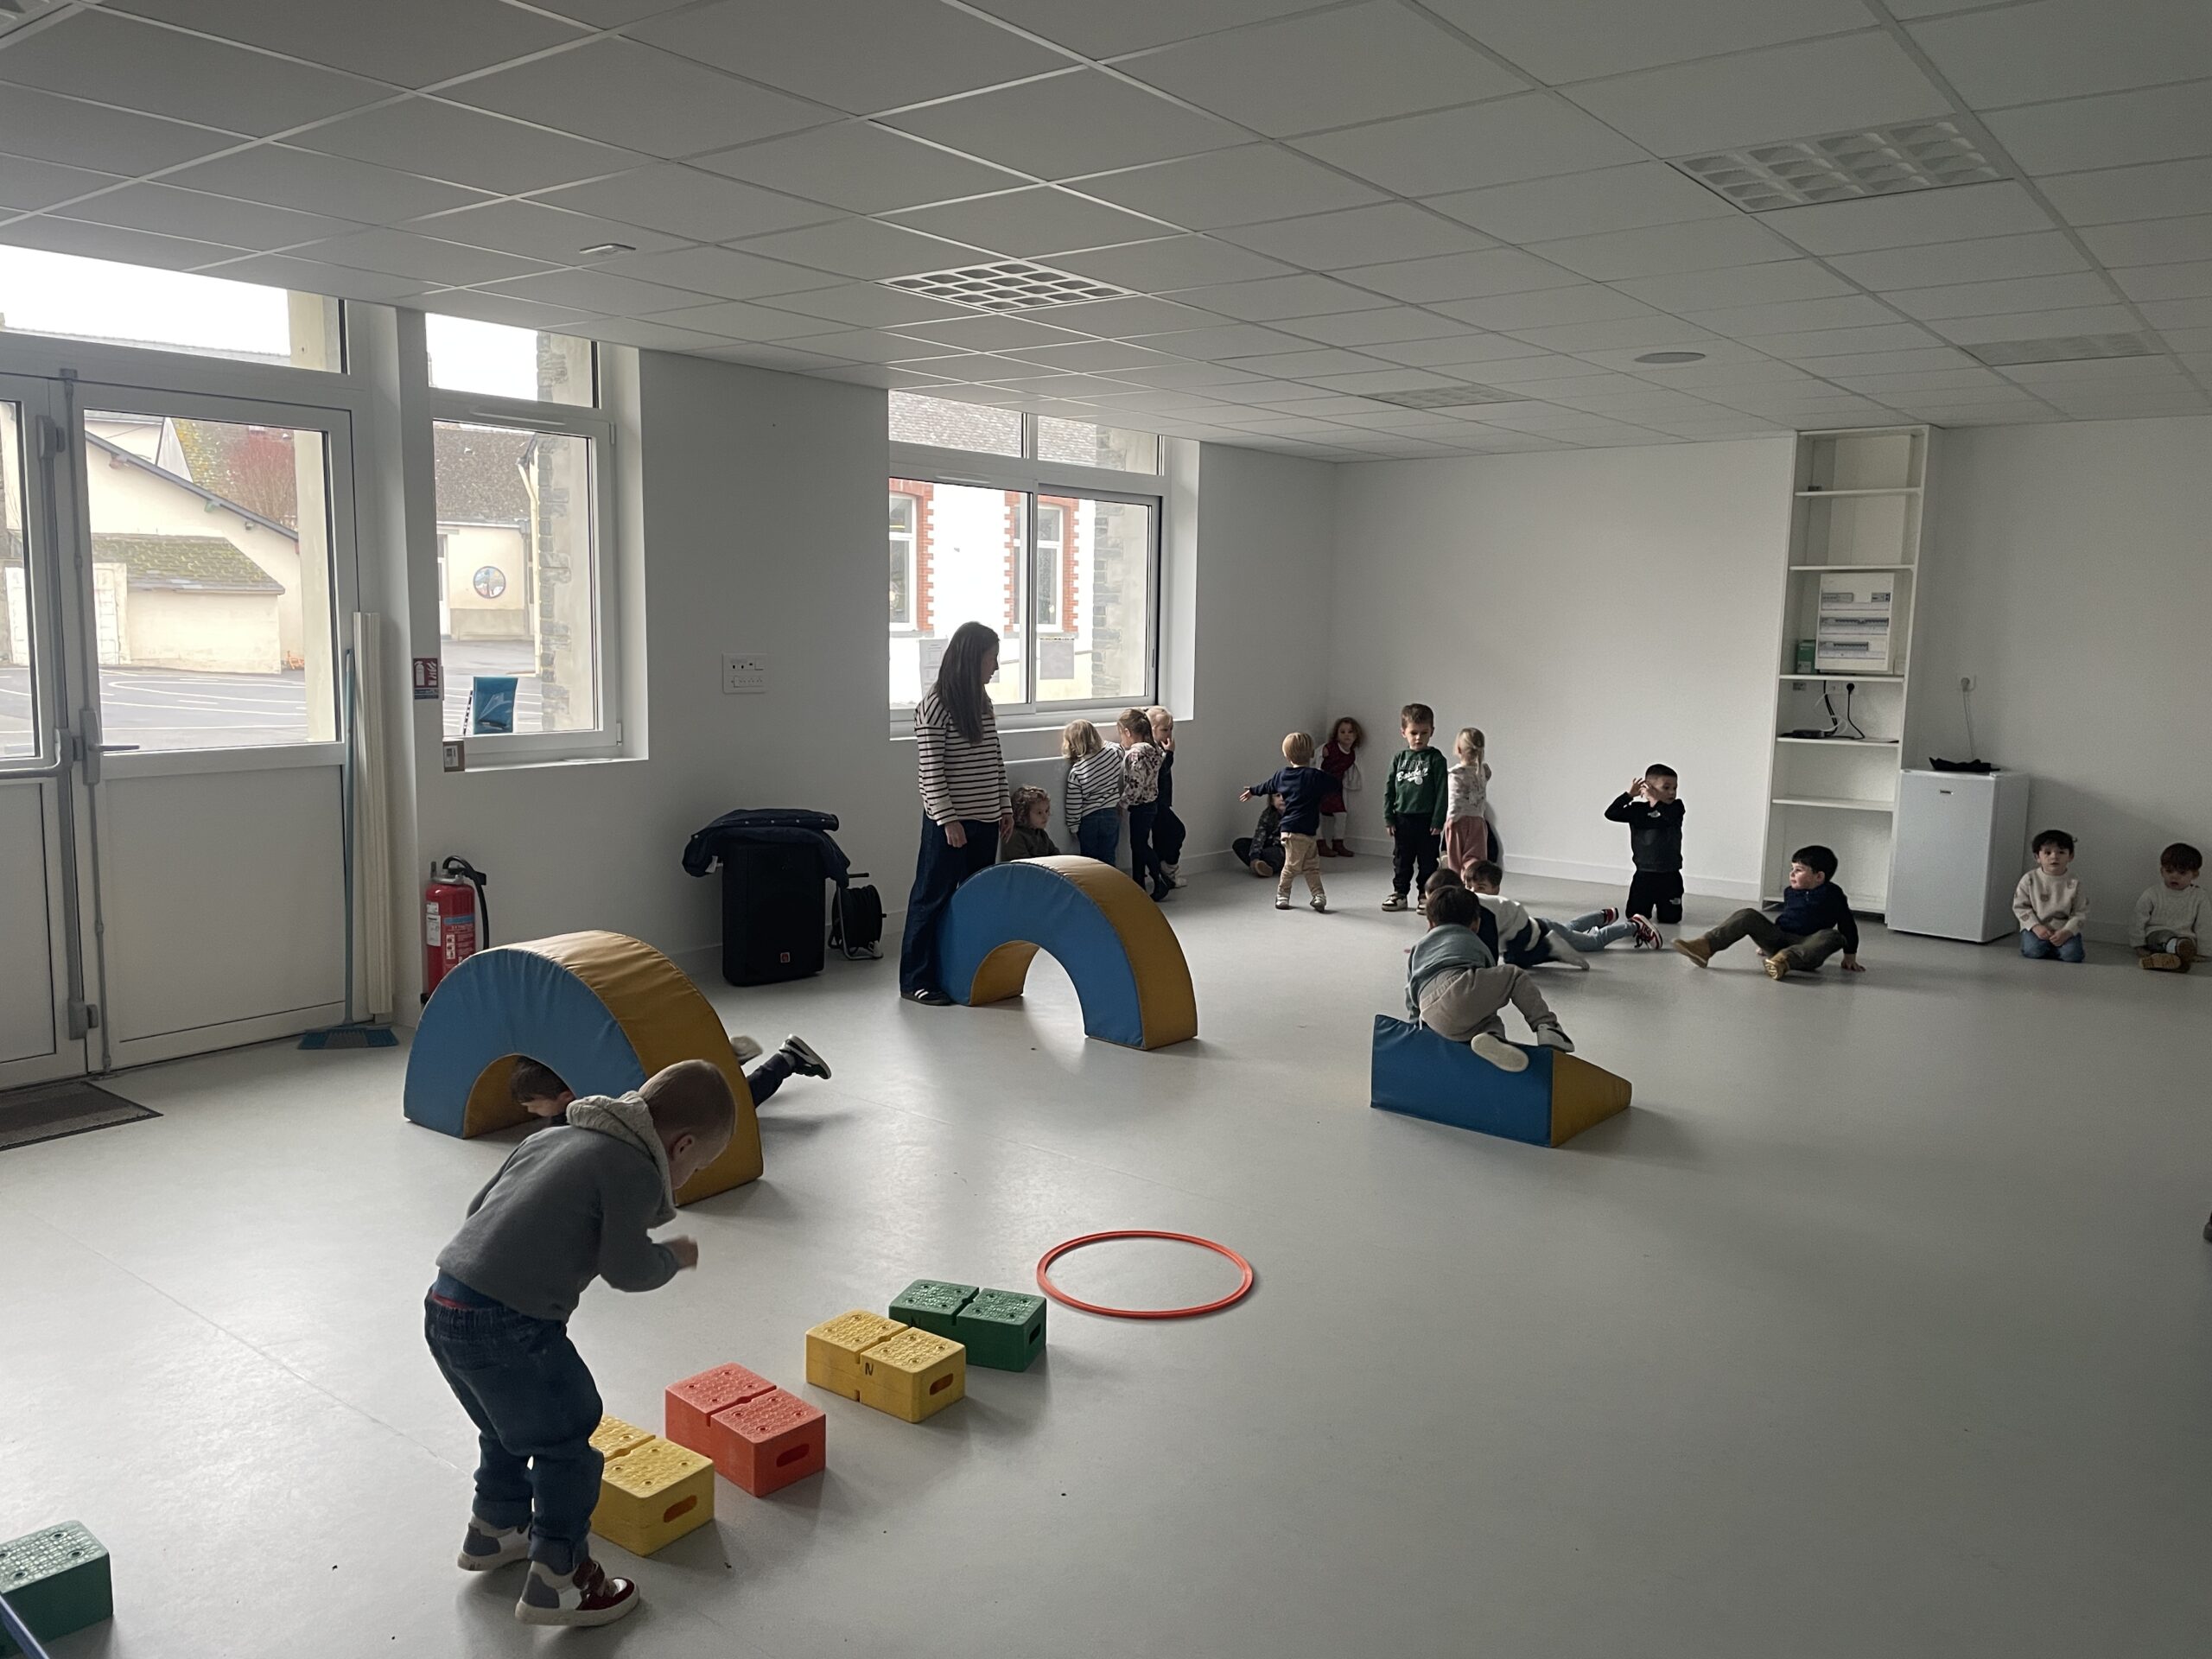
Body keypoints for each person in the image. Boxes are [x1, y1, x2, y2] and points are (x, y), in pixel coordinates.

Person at [426, 1059, 735, 1627]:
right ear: (683, 1145)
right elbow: (627, 1269)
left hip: (445, 1304)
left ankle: (496, 1528)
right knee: (568, 1438)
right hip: (512, 1325)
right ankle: (559, 1580)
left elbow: (478, 1212)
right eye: (697, 1167)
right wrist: (673, 1257)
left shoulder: (554, 1135)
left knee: (505, 1426)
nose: (689, 1178)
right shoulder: (635, 1168)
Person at [899, 622, 1010, 1005]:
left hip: (986, 819)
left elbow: (994, 758)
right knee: (931, 898)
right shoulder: (934, 706)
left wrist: (1004, 806)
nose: (996, 667)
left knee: (975, 899)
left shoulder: (982, 702)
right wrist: (948, 821)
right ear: (972, 659)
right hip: (950, 825)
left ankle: (964, 974)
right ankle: (915, 980)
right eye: (991, 659)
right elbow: (931, 772)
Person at [1406, 885, 1573, 1072]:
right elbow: (1487, 986)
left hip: (1430, 1012)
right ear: (1476, 924)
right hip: (1460, 988)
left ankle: (1490, 1038)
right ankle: (1547, 1027)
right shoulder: (1475, 942)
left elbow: (1410, 990)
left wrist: (1415, 1027)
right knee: (1513, 977)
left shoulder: (1418, 948)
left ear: (1430, 924)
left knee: (1479, 1017)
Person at [510, 1037, 830, 1120]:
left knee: (737, 1103)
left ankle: (787, 1059)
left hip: (666, 1097)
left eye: (533, 1105)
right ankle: (722, 1059)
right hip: (660, 1072)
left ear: (566, 1097)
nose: (530, 1111)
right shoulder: (582, 1079)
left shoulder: (583, 1110)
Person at [1673, 844, 1863, 979]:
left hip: (1808, 947)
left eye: (1798, 870)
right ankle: (1705, 947)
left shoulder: (1833, 895)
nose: (1791, 874)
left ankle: (1783, 961)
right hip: (1780, 939)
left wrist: (1850, 955)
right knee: (1747, 915)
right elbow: (1788, 918)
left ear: (1819, 876)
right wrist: (1766, 941)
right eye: (1792, 869)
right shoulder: (1791, 892)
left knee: (1832, 936)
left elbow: (1847, 923)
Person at [1465, 861, 1660, 957]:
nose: (1473, 892)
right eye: (1469, 887)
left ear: (1496, 889)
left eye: (1481, 887)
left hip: (1544, 935)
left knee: (1594, 942)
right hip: (1543, 928)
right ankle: (1601, 916)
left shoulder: (1495, 906)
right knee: (1570, 928)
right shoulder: (1477, 906)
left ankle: (1634, 926)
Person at [1241, 731, 1334, 912]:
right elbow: (1334, 784)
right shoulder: (1315, 776)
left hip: (1299, 832)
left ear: (1286, 756)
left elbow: (1267, 786)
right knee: (1293, 866)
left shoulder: (1283, 775)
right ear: (1312, 753)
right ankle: (1283, 895)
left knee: (1309, 866)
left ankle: (1318, 895)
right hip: (1298, 831)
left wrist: (1252, 791)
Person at [1381, 702, 1447, 912]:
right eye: (1413, 733)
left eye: (1424, 733)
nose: (1419, 738)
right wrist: (1389, 817)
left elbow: (1442, 792)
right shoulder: (1399, 759)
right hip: (1403, 819)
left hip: (1428, 821)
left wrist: (1438, 820)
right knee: (1402, 859)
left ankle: (1425, 895)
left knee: (1428, 861)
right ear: (1404, 732)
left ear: (1432, 731)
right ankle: (1399, 893)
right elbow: (1389, 789)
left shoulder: (1436, 759)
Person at [1606, 766, 1685, 925]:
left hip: (1670, 873)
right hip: (1644, 873)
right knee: (1636, 916)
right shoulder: (1637, 810)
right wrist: (1628, 795)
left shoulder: (1676, 808)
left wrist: (1655, 800)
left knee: (1671, 918)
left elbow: (1669, 818)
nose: (1672, 792)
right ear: (1649, 787)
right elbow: (1611, 813)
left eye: (1675, 788)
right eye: (1666, 788)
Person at [2014, 829, 2088, 963]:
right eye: (2047, 853)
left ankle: (2055, 947)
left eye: (2061, 852)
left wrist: (2067, 932)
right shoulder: (2029, 879)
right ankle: (2050, 947)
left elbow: (2080, 912)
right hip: (2036, 927)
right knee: (2033, 950)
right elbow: (2020, 907)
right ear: (2037, 857)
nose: (2054, 856)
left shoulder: (2075, 883)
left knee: (2072, 955)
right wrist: (2035, 927)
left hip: (2064, 928)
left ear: (2070, 856)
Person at [1117, 707, 1168, 900]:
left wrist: (1122, 803)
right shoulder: (1154, 749)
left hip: (1140, 806)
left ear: (1128, 732)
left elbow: (1135, 784)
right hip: (1151, 804)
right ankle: (1138, 881)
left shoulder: (1135, 754)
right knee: (1139, 844)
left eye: (1121, 735)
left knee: (1139, 846)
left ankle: (1159, 878)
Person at [2133, 841, 2209, 972]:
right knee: (2164, 937)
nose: (2174, 876)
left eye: (2182, 873)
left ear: (2195, 874)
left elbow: (2205, 924)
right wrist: (2138, 945)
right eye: (2169, 871)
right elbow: (2138, 918)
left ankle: (2172, 962)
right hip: (2157, 935)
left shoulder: (2199, 896)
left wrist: (2204, 951)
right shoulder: (2153, 893)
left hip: (2185, 939)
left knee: (2187, 945)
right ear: (2162, 871)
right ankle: (2173, 955)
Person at [1060, 717, 1123, 866]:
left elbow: (1074, 804)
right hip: (1110, 814)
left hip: (1088, 819)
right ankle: (1110, 880)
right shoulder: (1112, 754)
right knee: (1109, 854)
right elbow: (1119, 748)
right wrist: (1102, 743)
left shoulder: (1077, 771)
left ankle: (1093, 881)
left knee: (1089, 860)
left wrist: (1073, 827)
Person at [1442, 728, 1492, 878]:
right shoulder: (1484, 771)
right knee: (1476, 858)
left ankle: (1457, 884)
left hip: (1457, 821)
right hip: (1478, 821)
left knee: (1455, 861)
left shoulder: (1455, 774)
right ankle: (1474, 882)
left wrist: (1449, 821)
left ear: (1459, 749)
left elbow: (1453, 799)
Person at [1147, 705, 1186, 890]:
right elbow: (1160, 772)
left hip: (1162, 801)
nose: (1169, 734)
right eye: (1164, 730)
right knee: (1177, 830)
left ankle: (1165, 874)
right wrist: (1170, 753)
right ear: (1151, 730)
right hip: (1155, 802)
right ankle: (1168, 869)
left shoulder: (1159, 748)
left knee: (1163, 837)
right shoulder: (1150, 750)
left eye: (1171, 729)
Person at [1318, 716, 1363, 857]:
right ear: (1336, 735)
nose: (1346, 735)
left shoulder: (1351, 755)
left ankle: (1338, 843)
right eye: (1342, 732)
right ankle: (1320, 843)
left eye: (1350, 732)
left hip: (1335, 788)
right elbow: (1317, 757)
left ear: (1356, 735)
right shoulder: (1330, 748)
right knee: (1316, 814)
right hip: (1321, 785)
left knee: (1341, 814)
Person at [1000, 785, 1059, 861]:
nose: (1045, 816)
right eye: (1039, 813)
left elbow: (1056, 856)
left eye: (1046, 811)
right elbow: (1023, 865)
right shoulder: (1016, 836)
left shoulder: (1041, 834)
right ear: (1024, 814)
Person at [1234, 795, 1286, 880]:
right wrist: (1255, 855)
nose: (1282, 798)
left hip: (1283, 849)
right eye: (1277, 796)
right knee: (1239, 844)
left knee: (1271, 853)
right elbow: (1260, 835)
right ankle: (1258, 865)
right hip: (1268, 844)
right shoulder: (1268, 814)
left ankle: (1268, 867)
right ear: (1272, 801)